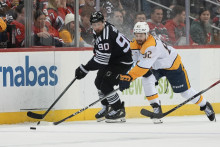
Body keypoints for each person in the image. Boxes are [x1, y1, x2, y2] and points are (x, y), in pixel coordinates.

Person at [119, 22, 216, 124]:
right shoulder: (134, 43)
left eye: (141, 35)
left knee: (185, 92)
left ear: (147, 34)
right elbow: (135, 62)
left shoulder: (151, 45)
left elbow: (143, 66)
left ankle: (205, 105)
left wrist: (130, 76)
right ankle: (156, 107)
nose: (138, 38)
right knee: (147, 79)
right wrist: (126, 75)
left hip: (171, 65)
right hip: (156, 66)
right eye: (137, 35)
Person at [75, 11, 133, 123]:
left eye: (98, 24)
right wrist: (86, 67)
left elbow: (101, 60)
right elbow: (99, 53)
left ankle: (118, 109)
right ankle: (107, 107)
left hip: (122, 61)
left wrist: (85, 68)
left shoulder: (105, 36)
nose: (96, 27)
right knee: (98, 82)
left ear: (103, 22)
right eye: (94, 24)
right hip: (113, 59)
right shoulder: (103, 29)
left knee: (106, 85)